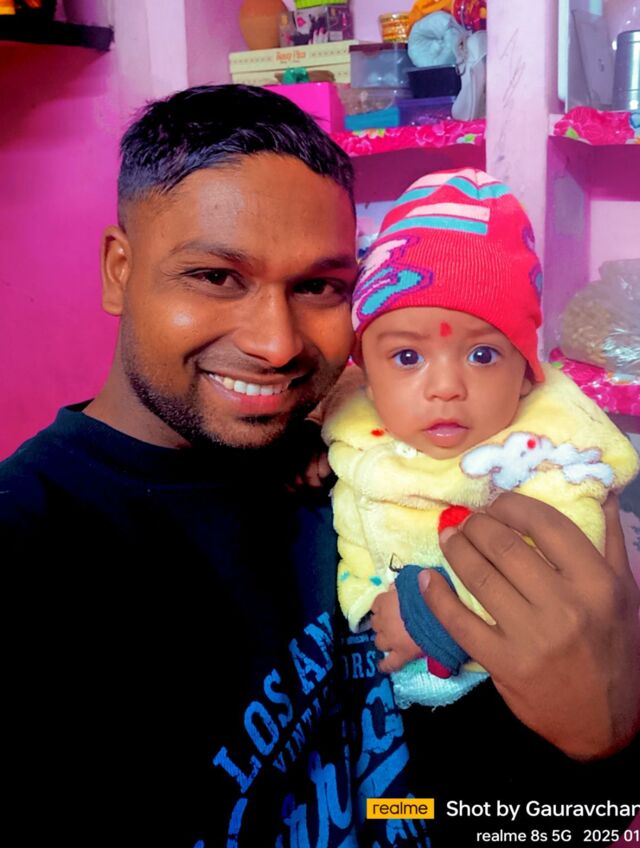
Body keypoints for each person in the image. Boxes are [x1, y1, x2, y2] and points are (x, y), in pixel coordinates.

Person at [1, 85, 638, 846]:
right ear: (118, 269)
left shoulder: (365, 462)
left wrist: (602, 750)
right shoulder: (30, 549)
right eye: (216, 277)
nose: (277, 344)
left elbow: (493, 804)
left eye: (319, 287)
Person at [322, 167, 639, 711]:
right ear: (366, 375)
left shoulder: (548, 455)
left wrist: (430, 619)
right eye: (407, 356)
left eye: (482, 354)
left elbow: (563, 583)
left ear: (525, 373)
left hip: (521, 700)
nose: (446, 387)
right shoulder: (354, 415)